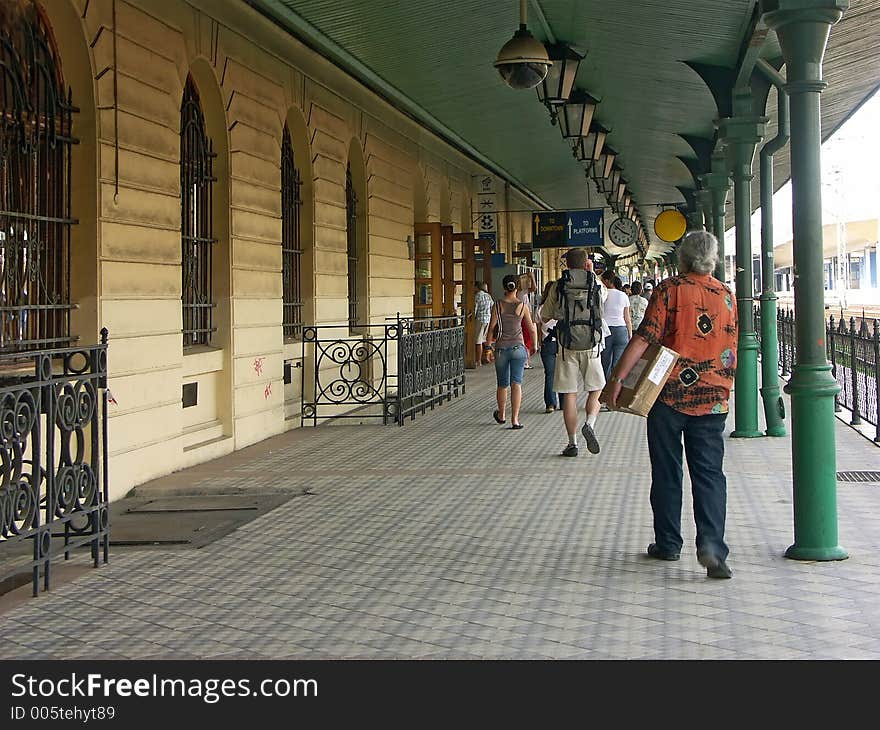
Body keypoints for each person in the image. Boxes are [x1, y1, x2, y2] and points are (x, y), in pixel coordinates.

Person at [606, 231, 738, 579]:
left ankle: (668, 543)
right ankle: (712, 547)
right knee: (709, 474)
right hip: (713, 399)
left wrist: (617, 380)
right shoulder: (726, 296)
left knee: (667, 470)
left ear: (682, 257)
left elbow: (645, 337)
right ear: (713, 258)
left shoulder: (669, 290)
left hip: (667, 396)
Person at [540, 248, 605, 456]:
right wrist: (592, 273)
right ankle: (591, 423)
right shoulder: (595, 283)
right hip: (592, 344)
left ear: (566, 264)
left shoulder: (559, 285)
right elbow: (604, 302)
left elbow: (545, 314)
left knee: (569, 394)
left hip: (566, 344)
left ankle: (572, 443)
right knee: (596, 389)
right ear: (587, 263)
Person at [485, 274, 538, 430]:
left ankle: (501, 415)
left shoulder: (497, 305)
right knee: (517, 384)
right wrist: (533, 346)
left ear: (504, 287)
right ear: (517, 287)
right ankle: (515, 420)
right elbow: (531, 329)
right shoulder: (522, 306)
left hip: (501, 348)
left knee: (502, 384)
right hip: (518, 348)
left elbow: (491, 328)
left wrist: (488, 348)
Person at [600, 270, 632, 378]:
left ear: (607, 281)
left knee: (605, 362)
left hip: (606, 331)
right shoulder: (623, 295)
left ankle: (605, 389)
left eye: (602, 280)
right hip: (621, 330)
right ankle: (615, 389)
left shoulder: (602, 294)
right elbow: (627, 318)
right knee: (618, 364)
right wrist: (629, 334)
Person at [535, 280, 560, 413]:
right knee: (563, 373)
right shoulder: (562, 307)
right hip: (562, 343)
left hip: (547, 343)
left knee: (550, 374)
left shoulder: (540, 309)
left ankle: (550, 404)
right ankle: (564, 402)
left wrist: (539, 343)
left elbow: (538, 328)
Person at [517, 272, 537, 369]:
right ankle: (525, 362)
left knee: (522, 339)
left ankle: (524, 362)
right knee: (526, 340)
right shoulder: (521, 292)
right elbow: (534, 288)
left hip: (518, 318)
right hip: (524, 317)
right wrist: (532, 277)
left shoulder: (518, 292)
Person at [473, 281, 493, 367]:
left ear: (477, 287)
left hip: (480, 320)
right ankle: (487, 357)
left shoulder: (477, 296)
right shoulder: (488, 296)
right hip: (487, 319)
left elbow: (474, 309)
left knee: (478, 341)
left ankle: (478, 360)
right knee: (485, 340)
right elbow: (493, 305)